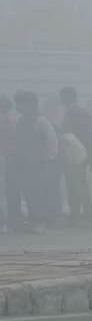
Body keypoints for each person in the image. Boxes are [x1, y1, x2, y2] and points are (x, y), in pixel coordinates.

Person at [9, 91, 60, 233]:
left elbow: (52, 141)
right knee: (29, 193)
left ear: (30, 104)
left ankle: (41, 221)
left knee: (39, 193)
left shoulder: (40, 120)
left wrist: (48, 159)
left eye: (20, 103)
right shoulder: (22, 119)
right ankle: (34, 220)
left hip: (38, 164)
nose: (17, 106)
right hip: (24, 164)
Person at [59, 87, 92, 223]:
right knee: (78, 184)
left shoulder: (74, 112)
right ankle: (83, 214)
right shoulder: (77, 111)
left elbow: (73, 133)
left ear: (66, 97)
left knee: (76, 184)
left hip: (76, 154)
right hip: (79, 153)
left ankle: (79, 215)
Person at [0, 95, 16, 233]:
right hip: (7, 157)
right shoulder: (10, 120)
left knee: (3, 193)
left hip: (5, 158)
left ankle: (4, 222)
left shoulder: (6, 121)